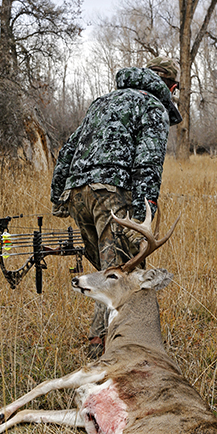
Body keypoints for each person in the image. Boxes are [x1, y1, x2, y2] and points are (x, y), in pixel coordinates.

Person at [50, 56, 181, 357]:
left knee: (106, 270)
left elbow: (69, 149)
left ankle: (101, 340)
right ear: (170, 86)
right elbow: (148, 163)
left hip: (77, 192)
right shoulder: (153, 107)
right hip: (111, 194)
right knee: (121, 272)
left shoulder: (102, 101)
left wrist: (60, 197)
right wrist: (144, 213)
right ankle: (107, 351)